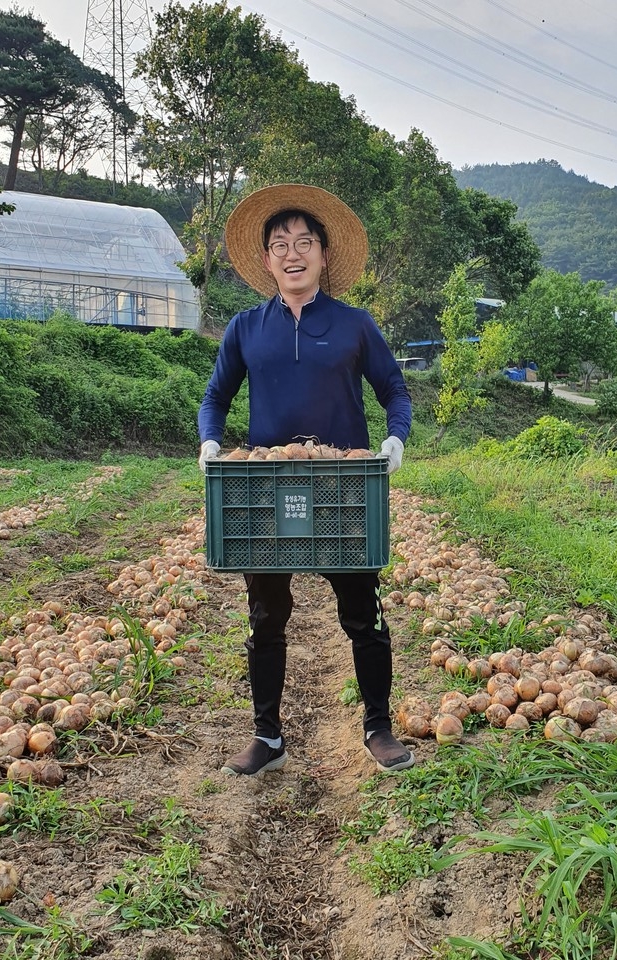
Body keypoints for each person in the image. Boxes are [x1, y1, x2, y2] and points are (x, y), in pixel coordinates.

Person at [197, 183, 414, 777]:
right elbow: (215, 395)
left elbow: (394, 390)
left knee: (361, 612)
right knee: (266, 614)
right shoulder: (246, 328)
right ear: (266, 260)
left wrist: (395, 439)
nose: (293, 254)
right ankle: (267, 736)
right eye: (280, 245)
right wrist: (210, 441)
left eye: (304, 243)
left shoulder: (353, 325)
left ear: (323, 255)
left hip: (343, 483)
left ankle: (378, 726)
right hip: (266, 487)